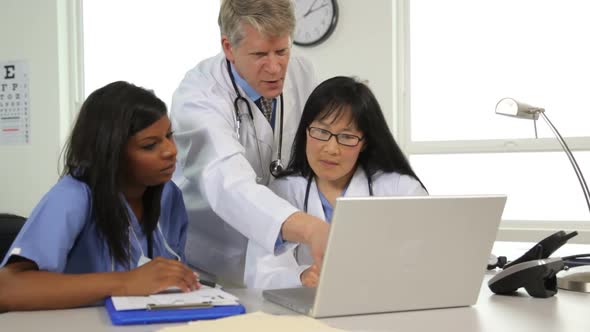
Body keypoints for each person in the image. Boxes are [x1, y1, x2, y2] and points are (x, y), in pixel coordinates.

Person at [0, 81, 200, 312]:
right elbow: (6, 288)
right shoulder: (73, 196)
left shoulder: (168, 195)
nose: (170, 150)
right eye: (149, 145)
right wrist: (127, 282)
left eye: (169, 135)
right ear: (110, 152)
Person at [170, 0, 329, 286]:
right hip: (212, 254)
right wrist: (308, 228)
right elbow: (227, 180)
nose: (275, 66)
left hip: (284, 261)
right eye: (259, 54)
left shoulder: (303, 73)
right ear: (229, 48)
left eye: (282, 51)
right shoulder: (198, 95)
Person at [244, 76, 428, 289]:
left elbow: (426, 260)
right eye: (321, 132)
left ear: (364, 142)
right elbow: (259, 273)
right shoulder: (282, 191)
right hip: (304, 314)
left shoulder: (401, 190)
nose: (331, 148)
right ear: (306, 131)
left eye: (347, 136)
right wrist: (301, 278)